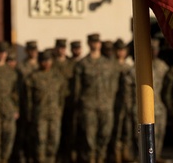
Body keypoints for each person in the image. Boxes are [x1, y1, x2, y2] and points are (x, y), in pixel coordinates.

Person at [72, 33, 118, 163]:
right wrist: (79, 105)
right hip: (89, 106)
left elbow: (114, 85)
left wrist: (110, 101)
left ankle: (101, 158)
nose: (95, 44)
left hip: (106, 105)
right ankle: (91, 159)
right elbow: (77, 88)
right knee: (89, 137)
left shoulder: (108, 64)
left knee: (105, 135)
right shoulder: (82, 64)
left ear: (100, 44)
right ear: (89, 43)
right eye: (92, 42)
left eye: (97, 42)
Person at [24, 49, 67, 163]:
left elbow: (61, 97)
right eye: (43, 61)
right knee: (40, 140)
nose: (46, 63)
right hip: (40, 114)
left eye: (48, 60)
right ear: (39, 62)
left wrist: (59, 111)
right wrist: (30, 115)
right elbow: (28, 100)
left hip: (54, 114)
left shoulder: (58, 77)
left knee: (54, 140)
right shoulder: (33, 78)